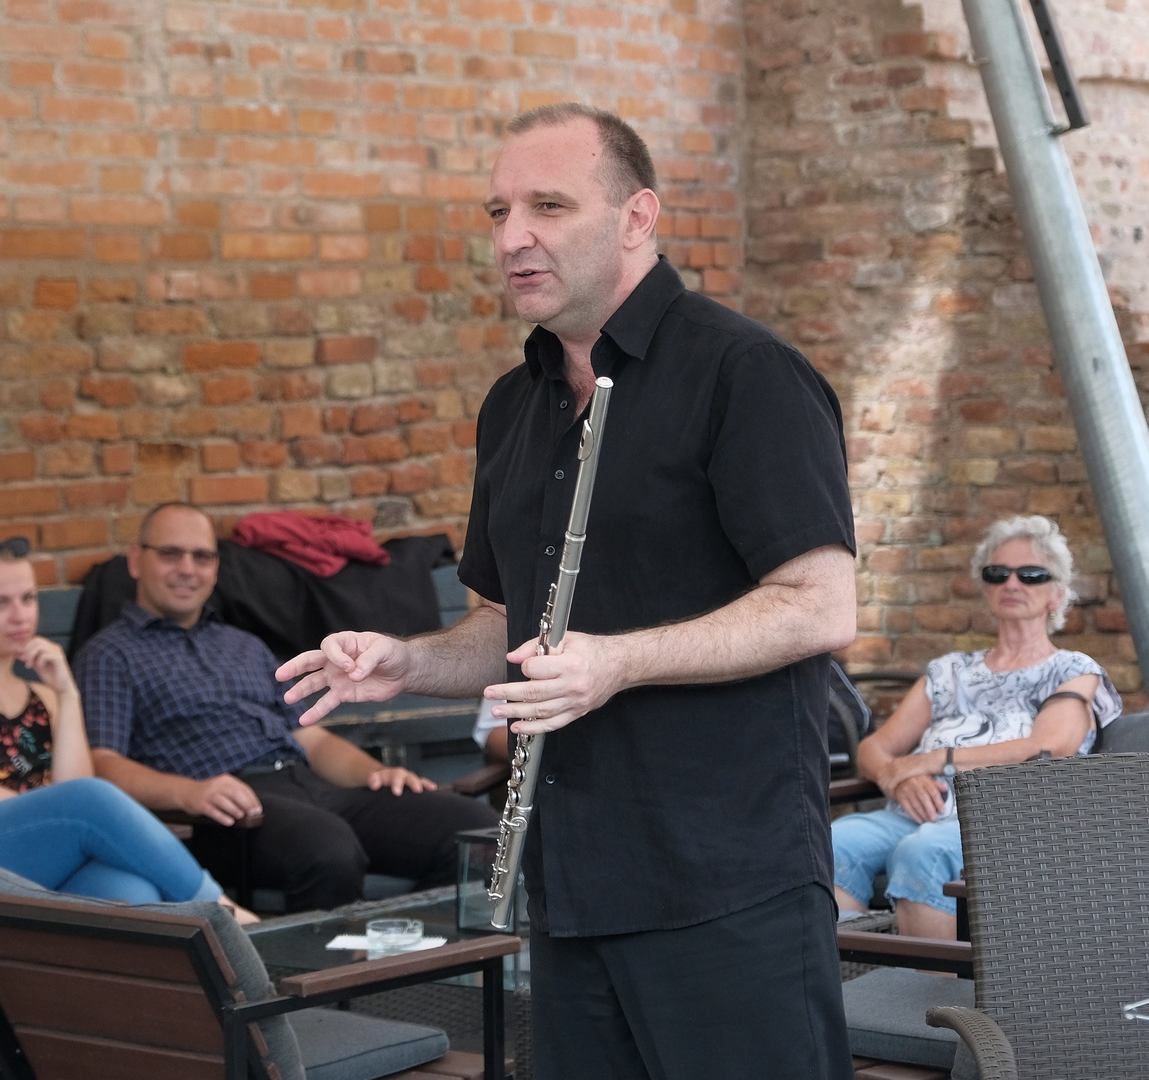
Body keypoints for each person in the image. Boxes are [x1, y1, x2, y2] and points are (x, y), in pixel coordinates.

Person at [278, 103, 859, 1080]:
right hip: (570, 878)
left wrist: (619, 663)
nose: (513, 237)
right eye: (498, 212)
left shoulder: (746, 373)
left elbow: (820, 602)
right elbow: (510, 627)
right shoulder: (515, 406)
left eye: (548, 206)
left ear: (638, 217)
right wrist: (408, 662)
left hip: (725, 876)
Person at [74, 502, 499, 914]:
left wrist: (374, 774)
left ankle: (406, 948)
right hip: (224, 814)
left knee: (476, 829)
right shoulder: (110, 654)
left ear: (216, 568)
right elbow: (102, 763)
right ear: (136, 561)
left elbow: (308, 737)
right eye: (170, 554)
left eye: (202, 556)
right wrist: (190, 793)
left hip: (307, 785)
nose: (188, 568)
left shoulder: (243, 645)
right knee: (327, 849)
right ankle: (333, 963)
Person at [0, 536, 253, 927]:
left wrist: (68, 693)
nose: (20, 616)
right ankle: (230, 917)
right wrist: (35, 815)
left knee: (131, 892)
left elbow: (73, 790)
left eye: (28, 599)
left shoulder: (43, 697)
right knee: (88, 801)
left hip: (28, 867)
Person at [833, 515, 1120, 938]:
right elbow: (872, 749)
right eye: (997, 573)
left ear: (1057, 595)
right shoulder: (950, 671)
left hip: (1007, 821)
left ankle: (928, 981)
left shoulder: (1072, 669)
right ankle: (853, 975)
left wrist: (933, 760)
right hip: (914, 813)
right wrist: (898, 777)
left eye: (1031, 574)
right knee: (832, 842)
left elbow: (1050, 745)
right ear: (985, 587)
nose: (1012, 583)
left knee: (924, 852)